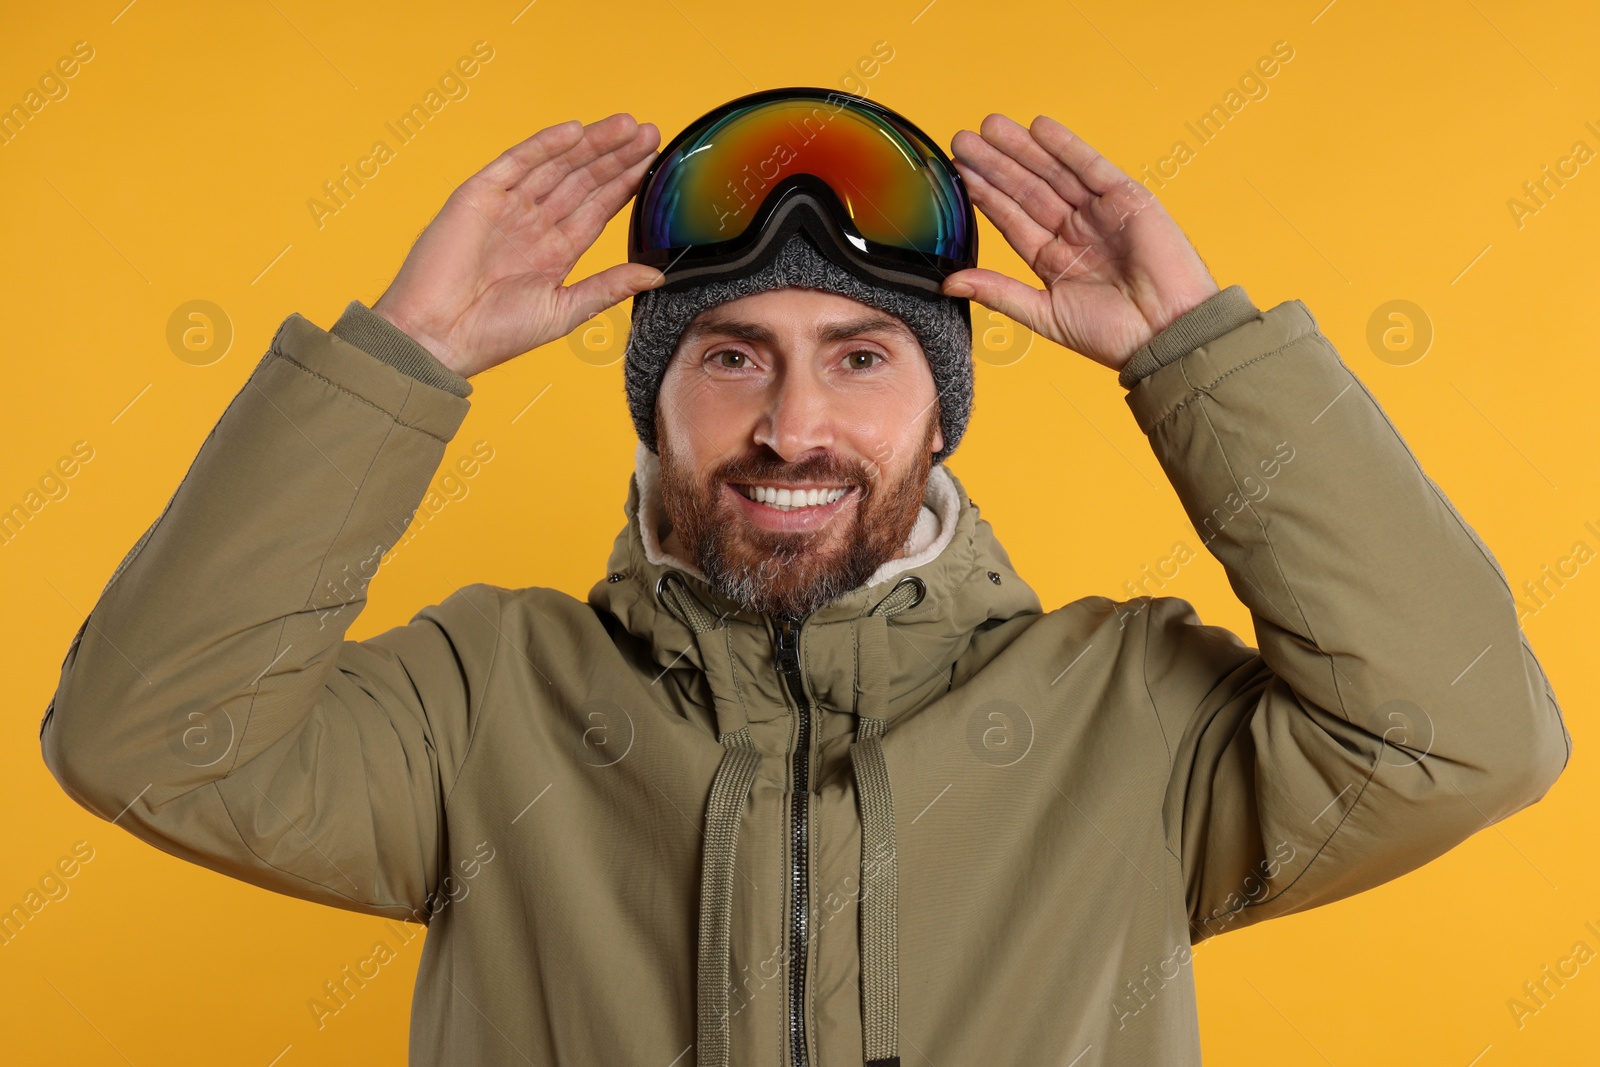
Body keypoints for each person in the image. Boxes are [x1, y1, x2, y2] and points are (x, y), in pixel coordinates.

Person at [40, 87, 1569, 1066]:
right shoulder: (481, 703)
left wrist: (1201, 359)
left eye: (858, 356)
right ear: (653, 391)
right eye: (729, 357)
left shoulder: (1132, 718)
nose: (792, 426)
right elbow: (145, 740)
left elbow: (1465, 739)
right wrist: (406, 362)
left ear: (942, 402)